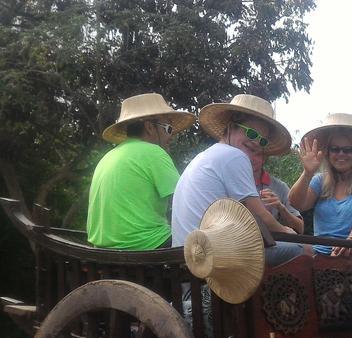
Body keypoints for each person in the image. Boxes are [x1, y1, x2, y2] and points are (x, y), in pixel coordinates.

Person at [170, 94, 302, 267]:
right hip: (212, 257)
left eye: (262, 140)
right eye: (251, 133)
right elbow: (260, 217)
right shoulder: (234, 156)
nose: (256, 142)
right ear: (231, 127)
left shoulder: (207, 156)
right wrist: (286, 230)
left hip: (188, 256)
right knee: (302, 250)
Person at [87, 93, 195, 250]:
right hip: (147, 247)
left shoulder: (107, 158)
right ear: (150, 127)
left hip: (101, 251)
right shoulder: (154, 152)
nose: (171, 136)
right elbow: (186, 201)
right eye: (168, 128)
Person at [289, 113, 352, 261]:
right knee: (283, 251)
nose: (341, 154)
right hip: (321, 250)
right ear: (328, 152)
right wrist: (307, 173)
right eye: (335, 149)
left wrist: (350, 242)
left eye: (347, 149)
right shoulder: (319, 181)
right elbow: (297, 203)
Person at [253, 151, 304, 234]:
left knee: (306, 247)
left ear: (265, 157)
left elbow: (300, 229)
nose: (251, 157)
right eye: (248, 149)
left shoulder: (280, 187)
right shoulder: (230, 178)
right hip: (233, 239)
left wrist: (281, 208)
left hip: (269, 243)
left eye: (257, 153)